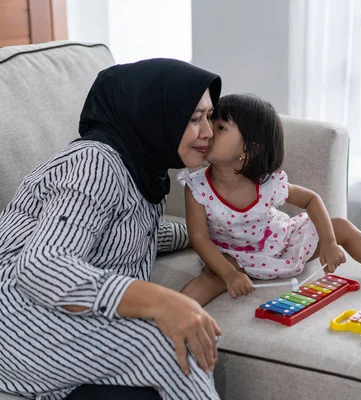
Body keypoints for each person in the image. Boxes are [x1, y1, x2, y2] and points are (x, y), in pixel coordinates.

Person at [0, 58, 222, 400]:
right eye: (194, 118)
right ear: (152, 113)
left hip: (60, 314)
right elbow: (41, 265)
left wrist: (206, 235)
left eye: (209, 116)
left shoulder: (145, 169)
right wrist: (163, 302)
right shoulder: (95, 162)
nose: (207, 131)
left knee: (194, 340)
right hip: (19, 316)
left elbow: (126, 236)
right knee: (179, 343)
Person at [178, 93, 361, 306]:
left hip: (279, 242)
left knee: (341, 226)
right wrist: (229, 275)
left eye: (220, 126)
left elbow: (311, 200)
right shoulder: (197, 186)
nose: (208, 130)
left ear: (248, 150)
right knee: (211, 277)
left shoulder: (267, 184)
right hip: (230, 257)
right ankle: (173, 313)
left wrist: (330, 243)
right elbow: (199, 238)